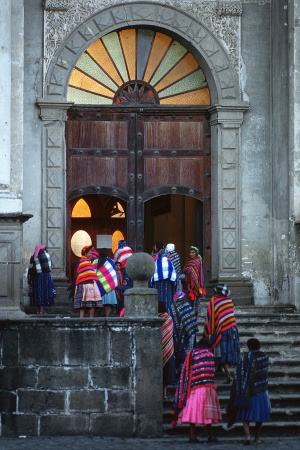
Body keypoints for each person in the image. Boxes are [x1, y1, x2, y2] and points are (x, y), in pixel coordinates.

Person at [172, 337, 222, 443]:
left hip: (195, 388)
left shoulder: (192, 354)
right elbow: (211, 371)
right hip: (208, 388)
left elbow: (186, 370)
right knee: (208, 415)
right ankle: (210, 436)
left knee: (193, 413)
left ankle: (192, 435)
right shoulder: (210, 355)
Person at [226, 338, 271, 445]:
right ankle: (257, 438)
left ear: (249, 347)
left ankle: (247, 436)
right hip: (261, 390)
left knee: (245, 415)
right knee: (259, 416)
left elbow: (239, 374)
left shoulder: (245, 358)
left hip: (248, 392)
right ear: (259, 345)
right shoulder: (265, 357)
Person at [203, 283, 240, 383]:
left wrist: (209, 328)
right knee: (225, 351)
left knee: (222, 352)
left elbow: (210, 316)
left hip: (221, 330)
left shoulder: (214, 300)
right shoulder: (229, 300)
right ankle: (219, 367)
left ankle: (228, 375)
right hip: (231, 329)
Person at [169, 291, 198, 378]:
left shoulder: (172, 307)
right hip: (190, 334)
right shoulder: (188, 307)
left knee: (180, 353)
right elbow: (192, 321)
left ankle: (181, 373)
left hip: (177, 337)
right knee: (188, 353)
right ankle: (187, 372)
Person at [74, 245, 102, 318]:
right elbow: (88, 273)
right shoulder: (85, 262)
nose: (91, 255)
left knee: (83, 302)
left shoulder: (81, 262)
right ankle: (90, 318)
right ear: (85, 254)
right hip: (88, 284)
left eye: (91, 253)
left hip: (83, 283)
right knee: (92, 302)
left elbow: (79, 273)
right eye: (89, 253)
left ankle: (81, 317)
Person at [27, 244, 56, 314]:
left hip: (36, 277)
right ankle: (42, 310)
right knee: (44, 292)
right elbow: (49, 267)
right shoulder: (47, 255)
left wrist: (30, 277)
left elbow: (30, 267)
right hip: (45, 276)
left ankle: (38, 310)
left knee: (37, 292)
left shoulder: (33, 256)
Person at [158, 301, 176, 399]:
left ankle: (160, 393)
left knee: (161, 371)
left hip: (159, 349)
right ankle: (164, 393)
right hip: (169, 348)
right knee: (166, 372)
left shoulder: (157, 319)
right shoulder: (169, 318)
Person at [93, 248, 118, 317]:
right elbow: (114, 274)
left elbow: (93, 273)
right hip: (108, 285)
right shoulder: (111, 262)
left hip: (98, 285)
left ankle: (97, 314)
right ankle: (107, 316)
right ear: (107, 254)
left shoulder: (95, 261)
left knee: (97, 301)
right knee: (108, 303)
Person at [150, 248, 177, 312]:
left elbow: (152, 274)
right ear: (166, 254)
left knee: (158, 299)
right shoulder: (169, 262)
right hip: (168, 283)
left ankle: (158, 314)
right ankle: (168, 315)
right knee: (167, 300)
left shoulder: (155, 262)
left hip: (157, 284)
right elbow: (173, 275)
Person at [183, 245, 205, 319]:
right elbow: (185, 269)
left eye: (193, 252)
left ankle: (197, 314)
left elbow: (198, 272)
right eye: (190, 252)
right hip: (189, 283)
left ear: (196, 253)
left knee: (197, 299)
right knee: (189, 298)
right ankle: (190, 314)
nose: (191, 254)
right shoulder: (189, 261)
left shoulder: (198, 261)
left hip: (196, 283)